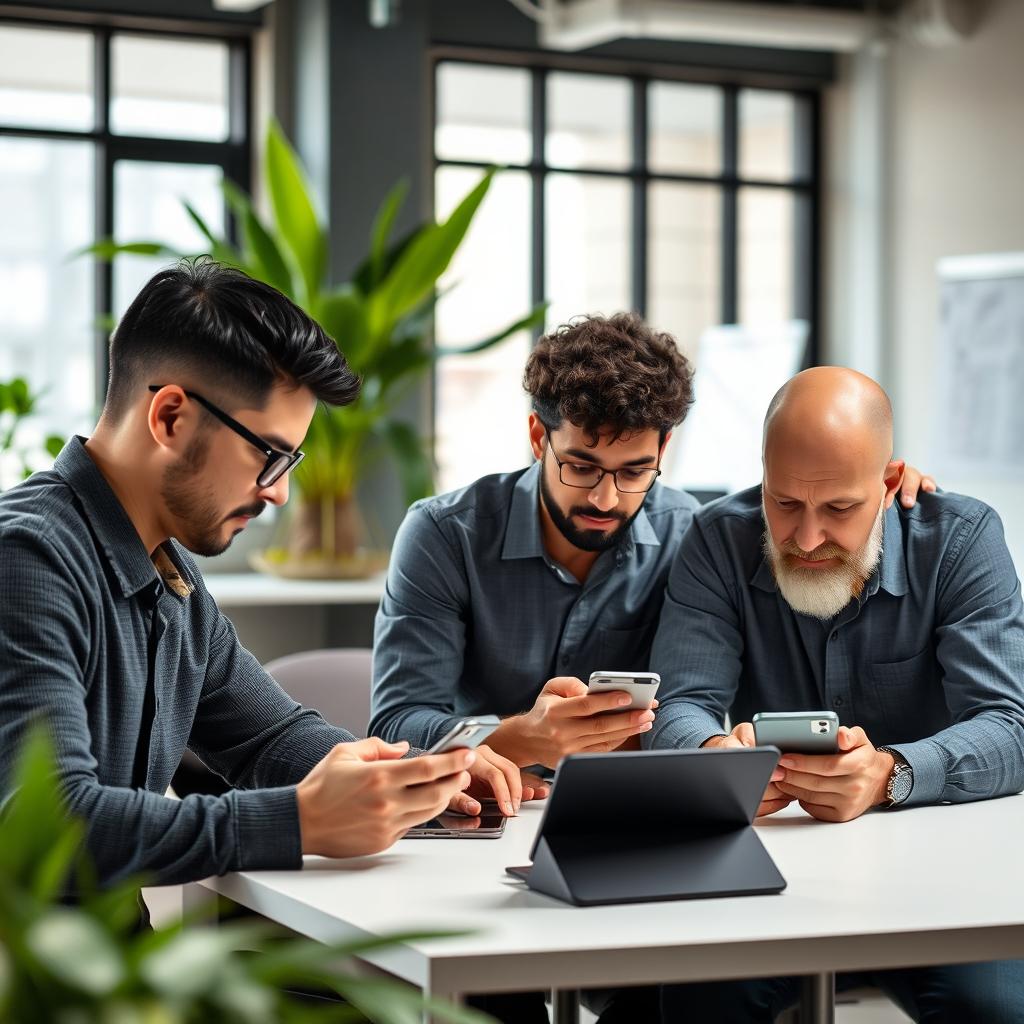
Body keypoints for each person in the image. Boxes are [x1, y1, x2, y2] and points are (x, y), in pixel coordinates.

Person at [370, 318, 933, 1023]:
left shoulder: (690, 536)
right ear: (539, 438)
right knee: (489, 997)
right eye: (581, 466)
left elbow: (704, 689)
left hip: (629, 838)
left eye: (635, 471)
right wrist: (523, 739)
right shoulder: (444, 534)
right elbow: (393, 723)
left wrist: (887, 497)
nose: (606, 499)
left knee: (677, 988)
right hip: (469, 841)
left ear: (665, 449)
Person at [0, 258, 523, 896]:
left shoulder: (168, 573)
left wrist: (419, 776)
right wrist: (299, 821)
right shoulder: (27, 557)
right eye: (268, 455)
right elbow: (46, 829)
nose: (277, 495)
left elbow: (269, 736)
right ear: (169, 417)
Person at [650, 366, 1024, 1022]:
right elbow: (677, 706)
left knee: (995, 1009)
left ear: (887, 483)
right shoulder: (717, 539)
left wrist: (891, 774)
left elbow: (1010, 725)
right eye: (784, 503)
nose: (808, 538)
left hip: (945, 881)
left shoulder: (962, 542)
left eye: (839, 509)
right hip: (769, 883)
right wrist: (715, 758)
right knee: (693, 1002)